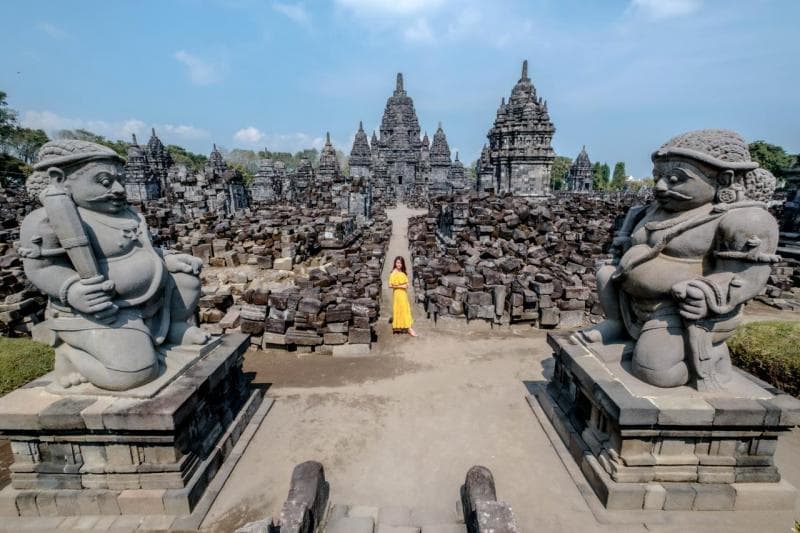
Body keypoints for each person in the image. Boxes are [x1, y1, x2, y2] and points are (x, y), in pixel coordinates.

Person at [389, 256, 417, 337]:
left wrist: (405, 285)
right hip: (397, 294)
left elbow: (407, 283)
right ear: (395, 263)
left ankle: (402, 327)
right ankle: (408, 328)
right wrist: (401, 286)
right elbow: (390, 285)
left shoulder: (403, 271)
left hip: (404, 294)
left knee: (405, 309)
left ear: (402, 264)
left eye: (400, 263)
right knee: (401, 309)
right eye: (397, 262)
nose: (399, 264)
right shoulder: (393, 272)